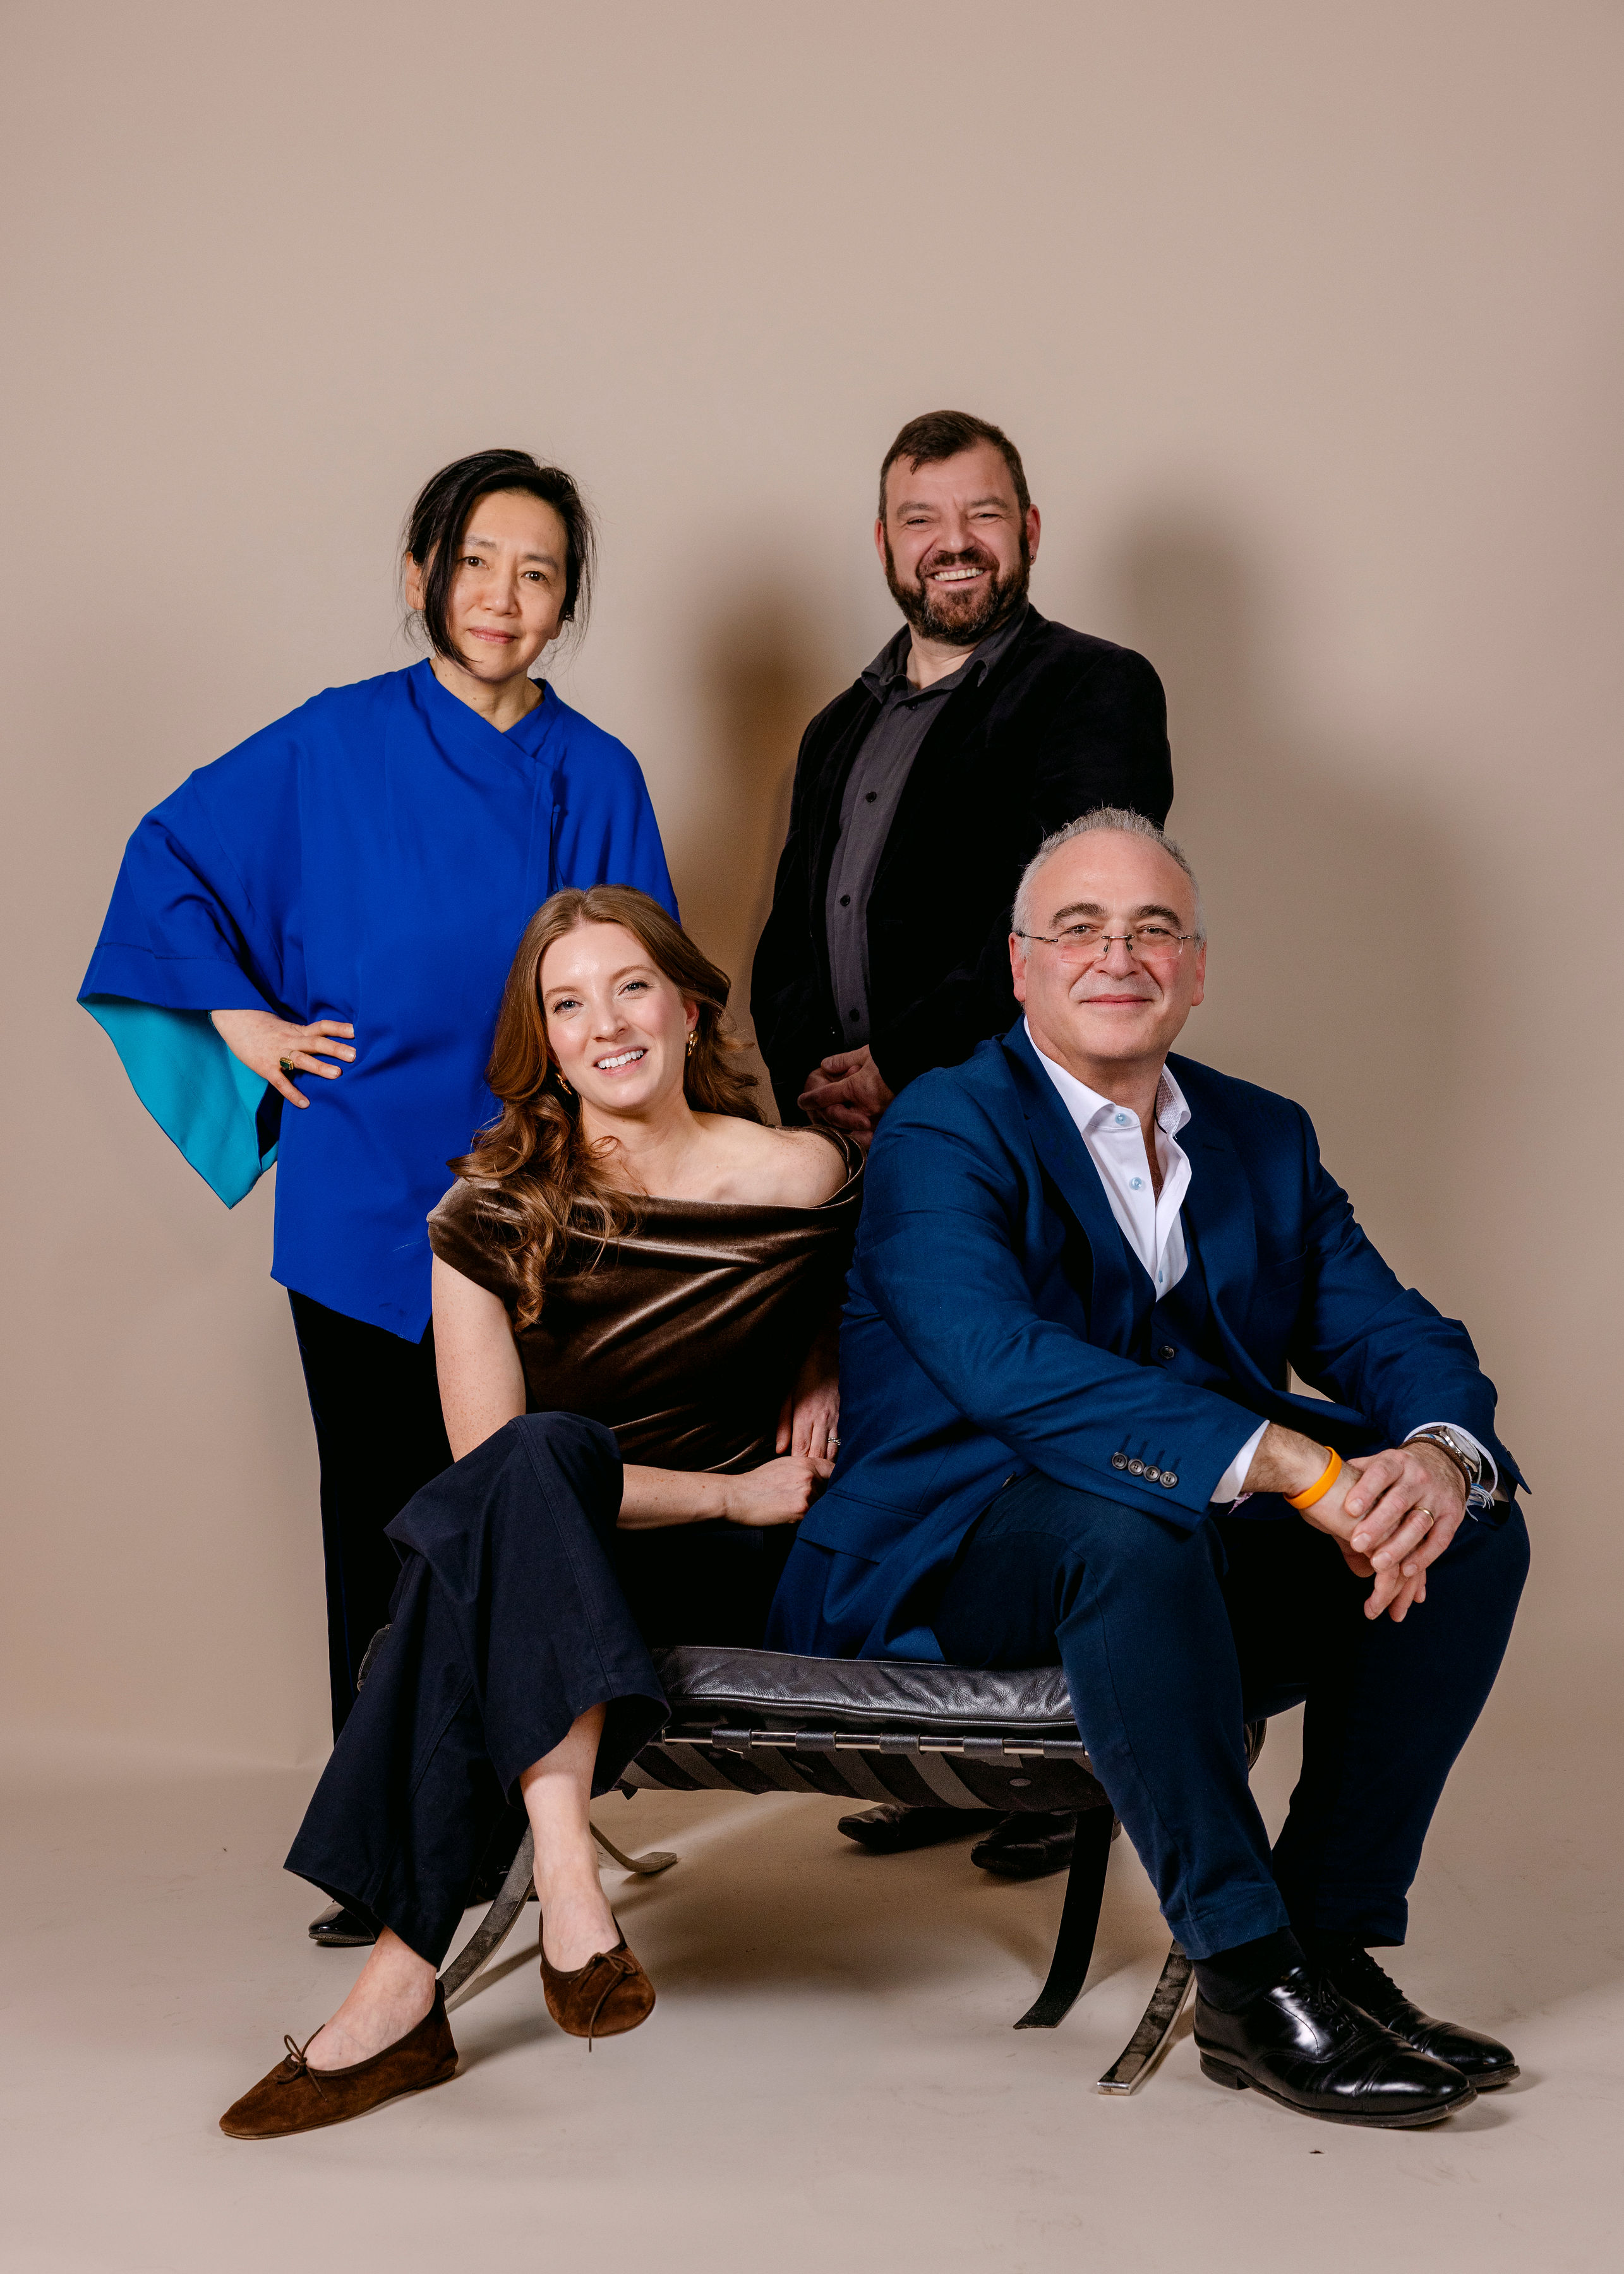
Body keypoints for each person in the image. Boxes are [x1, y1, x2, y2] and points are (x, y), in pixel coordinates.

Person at [768, 810, 1530, 2129]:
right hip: (952, 1551)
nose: (1115, 956)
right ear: (1020, 968)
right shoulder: (943, 1126)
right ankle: (1244, 1976)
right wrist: (1291, 1461)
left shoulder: (1263, 1135)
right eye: (1077, 929)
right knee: (1127, 1528)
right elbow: (999, 1361)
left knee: (1466, 1525)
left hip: (1177, 1561)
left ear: (1195, 969)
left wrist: (1436, 1458)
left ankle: (1325, 1946)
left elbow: (1390, 1332)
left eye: (1151, 930)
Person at [80, 452, 676, 1941]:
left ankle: (528, 1819)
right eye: (475, 562)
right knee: (379, 1522)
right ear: (420, 575)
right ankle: (386, 1849)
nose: (503, 597)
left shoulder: (596, 774)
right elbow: (167, 859)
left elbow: (638, 987)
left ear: (565, 606)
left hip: (538, 1207)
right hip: (359, 1198)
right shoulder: (329, 742)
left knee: (518, 1508)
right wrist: (244, 1025)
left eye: (538, 573)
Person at [218, 887, 860, 2138]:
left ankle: (408, 1993)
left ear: (687, 1009)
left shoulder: (802, 1173)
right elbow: (493, 1468)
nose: (604, 1025)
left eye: (630, 989)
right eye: (568, 1005)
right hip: (595, 1550)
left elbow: (890, 1297)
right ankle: (562, 1880)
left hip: (730, 1570)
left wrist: (822, 1354)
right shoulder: (485, 1213)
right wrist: (731, 1487)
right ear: (546, 1043)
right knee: (531, 1466)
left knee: (457, 1581)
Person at [752, 406, 1172, 1875]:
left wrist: (901, 1063)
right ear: (883, 543)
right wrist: (814, 1083)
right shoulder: (838, 726)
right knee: (902, 1442)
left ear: (1028, 532)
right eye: (921, 520)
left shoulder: (1090, 688)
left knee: (1024, 1435)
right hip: (865, 1154)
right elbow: (788, 931)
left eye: (981, 515)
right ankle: (943, 1751)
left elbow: (1073, 905)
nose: (952, 544)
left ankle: (1065, 1762)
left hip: (1015, 1132)